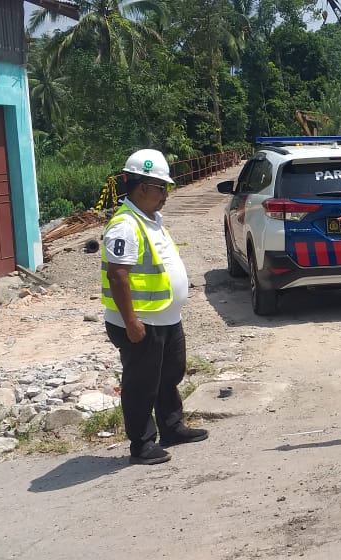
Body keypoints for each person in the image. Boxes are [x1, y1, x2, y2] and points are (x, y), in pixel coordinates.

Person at [102, 149, 208, 465]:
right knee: (141, 384)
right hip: (140, 322)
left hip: (165, 316)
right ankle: (142, 443)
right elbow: (118, 276)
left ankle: (171, 427)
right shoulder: (125, 224)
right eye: (161, 187)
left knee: (169, 374)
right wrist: (131, 321)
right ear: (143, 186)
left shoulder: (151, 220)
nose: (165, 194)